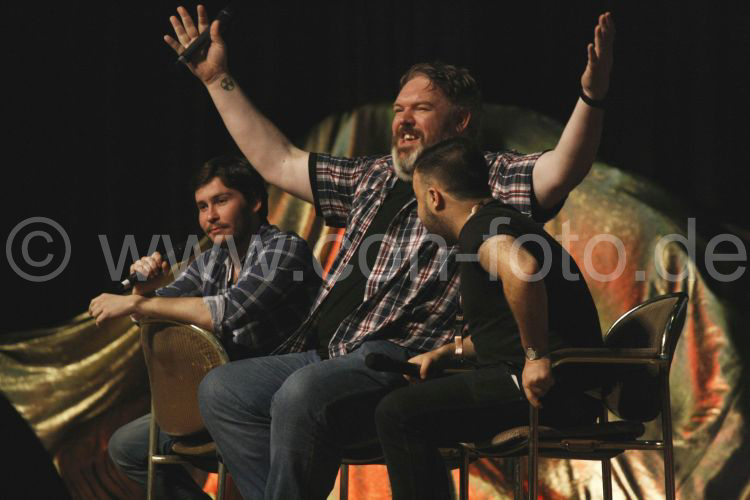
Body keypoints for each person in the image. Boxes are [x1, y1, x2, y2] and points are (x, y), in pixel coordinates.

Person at [165, 7, 614, 498]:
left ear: (461, 120)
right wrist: (217, 79)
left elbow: (564, 168)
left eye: (420, 108)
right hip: (327, 350)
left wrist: (591, 95)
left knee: (301, 393)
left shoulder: (485, 179)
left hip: (397, 356)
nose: (403, 119)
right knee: (222, 389)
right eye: (398, 109)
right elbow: (278, 160)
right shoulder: (372, 176)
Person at [375, 137, 604, 499]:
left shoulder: (481, 229)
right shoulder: (499, 219)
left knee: (398, 414)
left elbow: (523, 271)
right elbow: (503, 328)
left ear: (434, 198)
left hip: (552, 391)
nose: (420, 211)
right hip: (561, 385)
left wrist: (535, 357)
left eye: (418, 200)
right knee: (411, 411)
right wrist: (448, 352)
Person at [89, 155, 320, 499]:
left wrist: (137, 302)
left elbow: (229, 310)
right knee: (126, 448)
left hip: (277, 397)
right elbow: (154, 313)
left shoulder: (284, 249)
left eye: (221, 201)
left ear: (255, 202)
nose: (209, 216)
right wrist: (146, 287)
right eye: (201, 206)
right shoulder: (213, 259)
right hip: (220, 396)